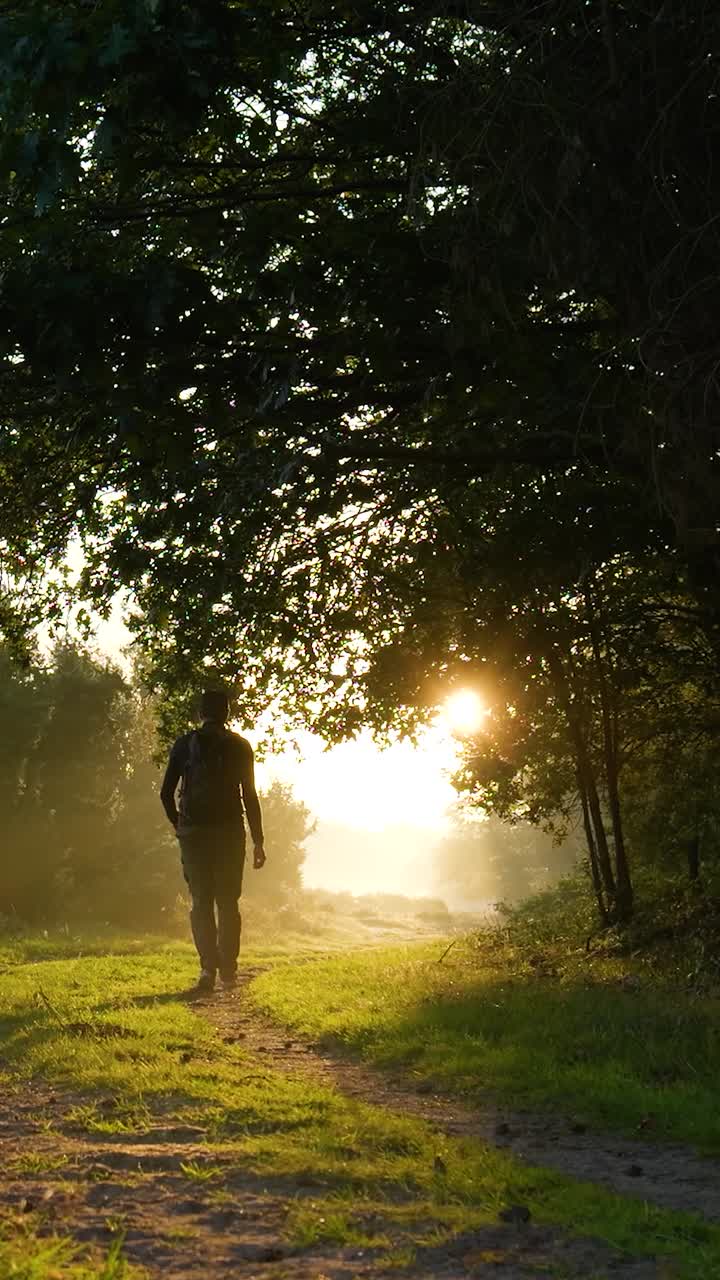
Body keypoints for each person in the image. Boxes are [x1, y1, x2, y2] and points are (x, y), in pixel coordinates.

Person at [160, 689, 266, 994]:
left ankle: (207, 969)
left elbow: (166, 793)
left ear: (200, 713)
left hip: (194, 834)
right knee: (228, 902)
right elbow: (250, 795)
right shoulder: (240, 746)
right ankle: (229, 972)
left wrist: (178, 824)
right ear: (227, 714)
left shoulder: (184, 745)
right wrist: (258, 841)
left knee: (201, 902)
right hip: (230, 832)